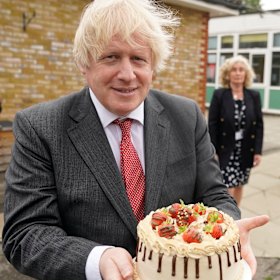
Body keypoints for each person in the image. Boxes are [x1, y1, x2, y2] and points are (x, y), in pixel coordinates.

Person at [2, 1, 268, 280]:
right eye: (111, 57)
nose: (127, 74)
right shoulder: (40, 127)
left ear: (153, 65)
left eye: (138, 59)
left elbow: (215, 195)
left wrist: (228, 231)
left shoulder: (186, 116)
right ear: (84, 63)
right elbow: (25, 234)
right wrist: (97, 259)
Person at [208, 55, 264, 206]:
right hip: (226, 148)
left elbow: (258, 124)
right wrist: (213, 150)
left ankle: (236, 214)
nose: (238, 73)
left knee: (240, 184)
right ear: (228, 74)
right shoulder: (220, 95)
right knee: (228, 187)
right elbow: (212, 124)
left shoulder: (253, 95)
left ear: (246, 74)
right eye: (234, 70)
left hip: (245, 148)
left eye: (241, 70)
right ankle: (229, 216)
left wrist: (258, 151)